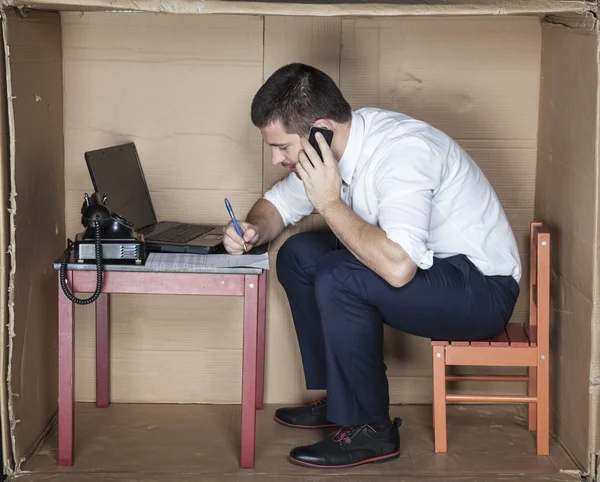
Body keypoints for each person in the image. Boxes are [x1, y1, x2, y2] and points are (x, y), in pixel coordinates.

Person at [223, 63, 521, 469]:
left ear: (321, 128)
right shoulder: (331, 148)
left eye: (282, 147)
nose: (277, 158)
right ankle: (340, 400)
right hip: (435, 273)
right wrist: (252, 228)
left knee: (339, 274)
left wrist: (329, 202)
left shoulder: (403, 152)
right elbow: (277, 204)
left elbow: (399, 268)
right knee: (298, 255)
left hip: (481, 290)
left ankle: (371, 429)